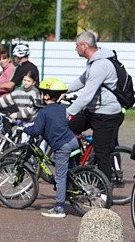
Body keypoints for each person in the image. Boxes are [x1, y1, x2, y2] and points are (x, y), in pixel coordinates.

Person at [66, 31, 124, 183]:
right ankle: (78, 166)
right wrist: (62, 91)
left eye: (77, 46)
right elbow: (83, 80)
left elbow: (87, 95)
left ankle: (105, 191)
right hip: (94, 111)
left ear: (84, 46)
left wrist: (68, 111)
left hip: (106, 114)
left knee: (102, 153)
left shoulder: (101, 64)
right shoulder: (94, 61)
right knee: (67, 128)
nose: (75, 49)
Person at [22, 78, 79, 218]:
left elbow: (36, 130)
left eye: (42, 93)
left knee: (60, 176)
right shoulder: (61, 108)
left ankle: (59, 208)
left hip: (62, 146)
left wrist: (25, 129)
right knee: (70, 171)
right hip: (73, 141)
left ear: (46, 96)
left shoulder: (44, 112)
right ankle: (73, 189)